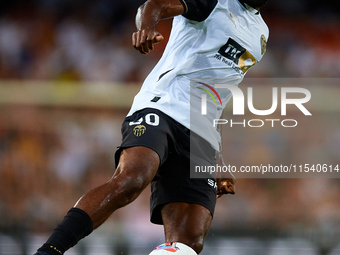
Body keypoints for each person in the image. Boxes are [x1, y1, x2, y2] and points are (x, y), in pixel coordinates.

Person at [34, 0, 269, 254]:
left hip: (202, 133)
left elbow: (219, 93)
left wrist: (218, 156)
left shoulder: (260, 34)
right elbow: (154, 4)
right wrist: (146, 27)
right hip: (164, 106)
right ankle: (50, 250)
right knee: (131, 180)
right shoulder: (215, 3)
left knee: (189, 241)